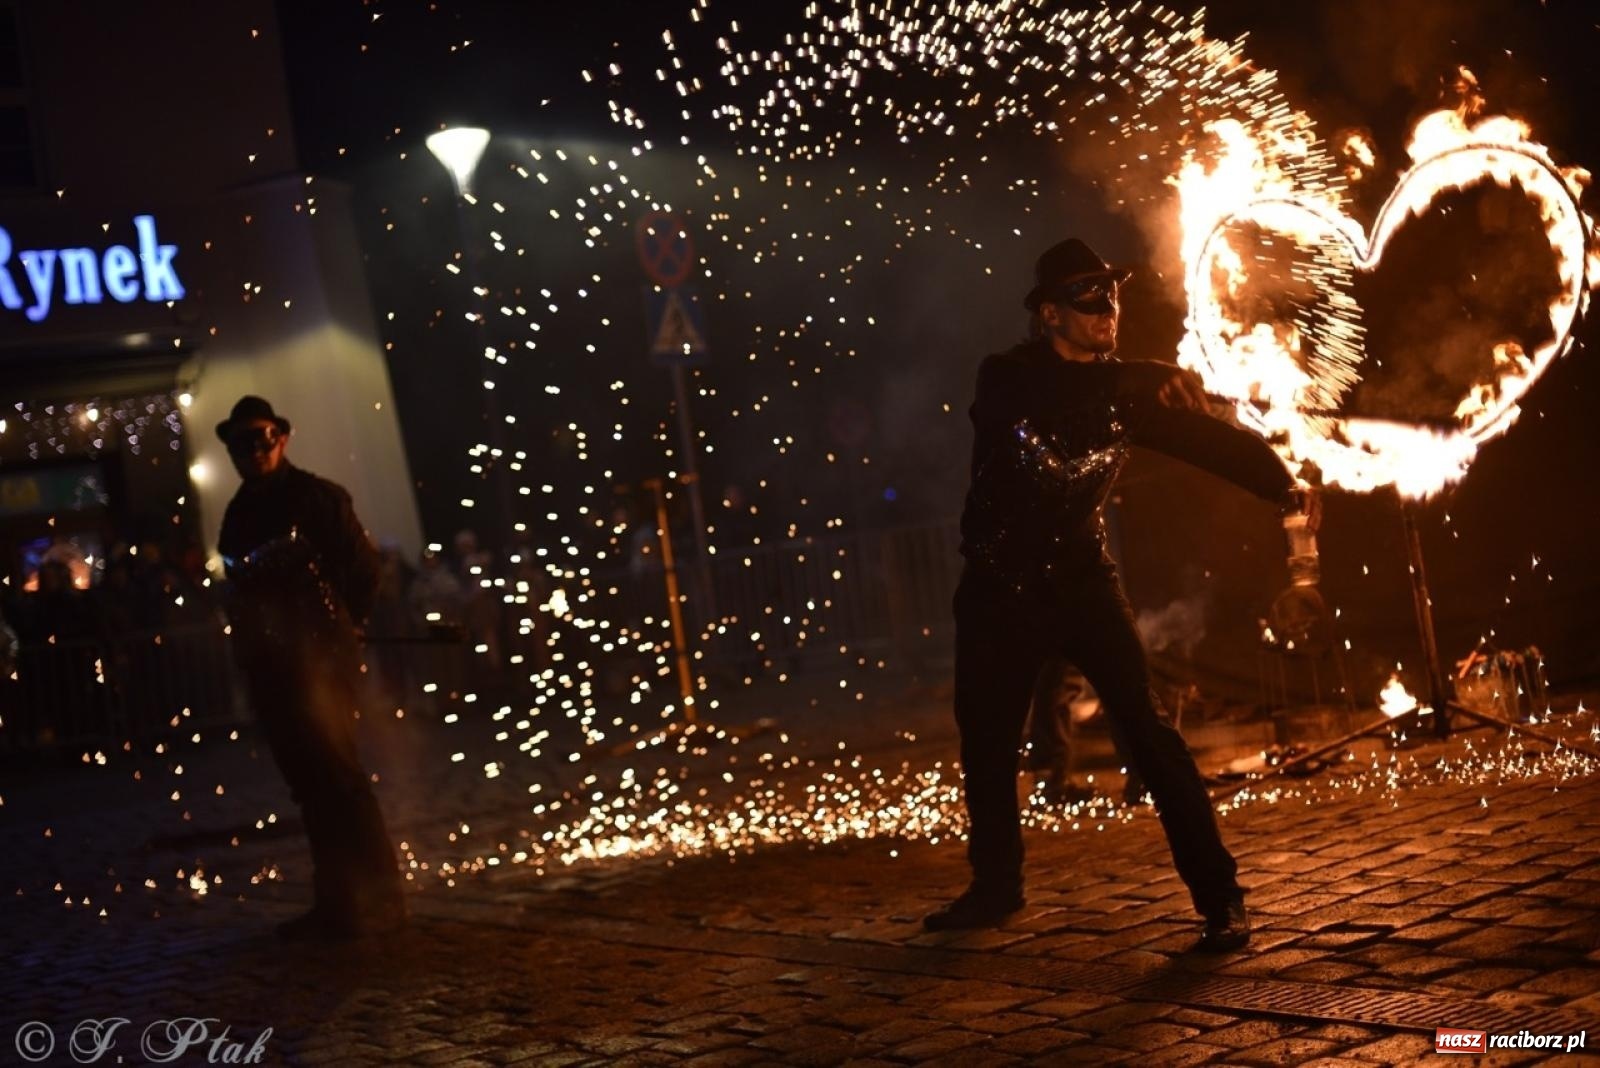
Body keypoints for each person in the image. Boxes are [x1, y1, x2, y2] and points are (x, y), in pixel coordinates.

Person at [926, 239, 1318, 952]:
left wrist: (1278, 480)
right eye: (1086, 294)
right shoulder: (1008, 377)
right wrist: (1152, 374)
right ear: (1048, 313)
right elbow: (1067, 397)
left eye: (1111, 292)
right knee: (987, 746)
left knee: (1152, 738)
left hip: (1081, 582)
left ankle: (1221, 897)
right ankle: (995, 887)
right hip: (998, 590)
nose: (1107, 307)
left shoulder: (1127, 393)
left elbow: (1206, 442)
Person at [215, 396, 407, 940]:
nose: (252, 451)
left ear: (281, 437)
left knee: (340, 779)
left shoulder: (319, 499)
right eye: (240, 442)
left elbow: (363, 571)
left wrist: (342, 636)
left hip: (322, 664)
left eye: (261, 438)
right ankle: (338, 903)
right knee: (308, 784)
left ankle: (383, 900)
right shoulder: (238, 515)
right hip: (272, 670)